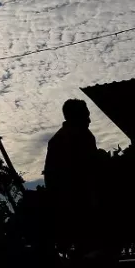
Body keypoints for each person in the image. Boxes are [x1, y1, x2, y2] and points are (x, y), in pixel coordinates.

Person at [43, 99, 99, 255]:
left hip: (69, 208)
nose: (89, 120)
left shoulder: (58, 140)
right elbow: (90, 171)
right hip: (79, 207)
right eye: (86, 116)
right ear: (76, 117)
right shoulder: (81, 137)